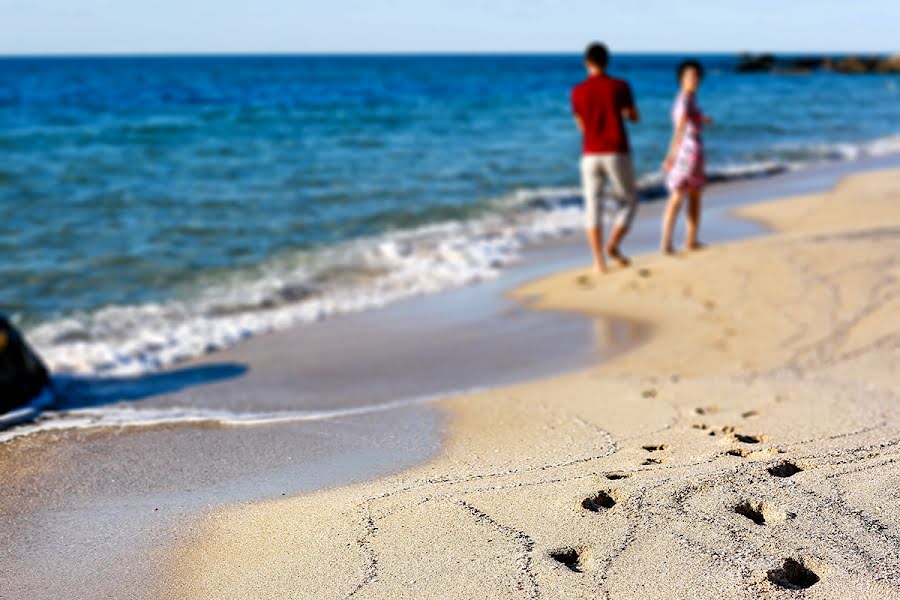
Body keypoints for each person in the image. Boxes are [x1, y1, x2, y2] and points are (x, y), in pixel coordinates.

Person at [571, 42, 640, 274]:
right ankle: (612, 245)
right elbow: (634, 117)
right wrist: (621, 111)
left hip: (589, 154)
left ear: (586, 63)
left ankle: (598, 262)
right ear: (607, 61)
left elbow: (581, 126)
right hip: (616, 150)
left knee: (593, 206)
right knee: (629, 200)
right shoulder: (620, 86)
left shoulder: (577, 91)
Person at [661, 59, 711, 254]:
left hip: (694, 152)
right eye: (690, 76)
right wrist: (670, 156)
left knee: (693, 195)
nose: (694, 79)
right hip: (686, 153)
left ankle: (689, 240)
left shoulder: (689, 98)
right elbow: (680, 128)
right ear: (681, 79)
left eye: (697, 76)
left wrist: (701, 118)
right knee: (679, 196)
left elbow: (687, 121)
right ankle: (669, 242)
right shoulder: (684, 99)